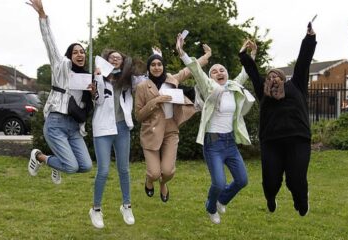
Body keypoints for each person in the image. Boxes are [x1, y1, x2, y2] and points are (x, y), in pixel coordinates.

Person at [239, 24, 317, 216]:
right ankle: (270, 198)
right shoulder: (263, 92)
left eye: (276, 75)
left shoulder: (296, 85)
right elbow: (252, 71)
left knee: (295, 180)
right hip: (271, 142)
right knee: (271, 181)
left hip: (298, 139)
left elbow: (303, 62)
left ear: (283, 78)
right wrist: (243, 53)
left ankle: (301, 201)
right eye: (269, 75)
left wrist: (309, 38)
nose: (272, 77)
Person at [176, 34, 254, 224]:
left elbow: (245, 73)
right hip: (213, 143)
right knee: (218, 182)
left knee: (242, 180)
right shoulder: (208, 87)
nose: (219, 72)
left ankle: (222, 200)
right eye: (214, 71)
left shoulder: (233, 87)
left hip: (230, 143)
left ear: (227, 74)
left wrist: (250, 54)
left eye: (222, 70)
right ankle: (211, 207)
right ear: (210, 77)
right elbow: (196, 70)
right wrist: (182, 52)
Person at [26, 0, 93, 184]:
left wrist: (93, 93)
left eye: (82, 52)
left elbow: (86, 107)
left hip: (74, 127)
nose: (80, 54)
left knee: (86, 166)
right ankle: (39, 156)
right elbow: (49, 41)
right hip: (56, 122)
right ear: (69, 56)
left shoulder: (87, 78)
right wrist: (42, 15)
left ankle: (56, 165)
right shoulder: (60, 65)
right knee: (71, 166)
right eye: (76, 52)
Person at [134, 44, 211, 203]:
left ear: (163, 66)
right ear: (149, 68)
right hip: (151, 131)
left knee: (168, 171)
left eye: (159, 64)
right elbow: (139, 116)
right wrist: (156, 101)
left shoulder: (171, 79)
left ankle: (164, 183)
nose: (157, 67)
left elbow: (189, 70)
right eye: (153, 65)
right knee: (154, 173)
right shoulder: (142, 87)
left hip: (171, 129)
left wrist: (206, 56)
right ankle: (150, 181)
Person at [88, 49, 144, 228]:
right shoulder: (99, 78)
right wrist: (97, 77)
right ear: (106, 60)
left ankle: (126, 206)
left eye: (118, 58)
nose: (115, 59)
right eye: (112, 57)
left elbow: (147, 80)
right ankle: (96, 209)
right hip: (103, 129)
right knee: (103, 170)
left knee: (124, 169)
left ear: (123, 62)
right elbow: (97, 100)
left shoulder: (127, 80)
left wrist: (157, 59)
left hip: (122, 128)